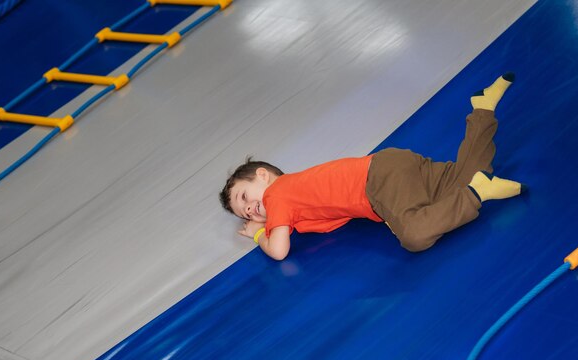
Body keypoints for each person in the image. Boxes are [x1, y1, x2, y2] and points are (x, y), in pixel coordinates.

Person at [220, 73, 524, 260]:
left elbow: (279, 250)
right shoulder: (297, 190)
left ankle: (476, 194)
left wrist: (258, 234)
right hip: (390, 165)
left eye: (245, 197)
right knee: (460, 180)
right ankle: (482, 111)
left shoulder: (278, 196)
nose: (248, 210)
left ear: (263, 176)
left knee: (415, 237)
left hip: (379, 183)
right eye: (243, 212)